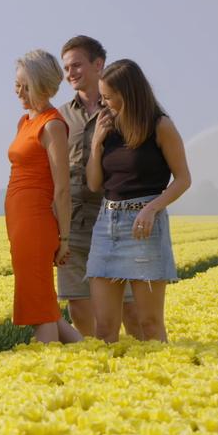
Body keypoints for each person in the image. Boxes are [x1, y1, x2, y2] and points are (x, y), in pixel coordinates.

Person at [86, 59, 191, 342]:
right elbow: (95, 183)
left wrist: (152, 208)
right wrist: (96, 144)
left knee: (149, 324)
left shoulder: (160, 125)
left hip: (144, 228)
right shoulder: (106, 124)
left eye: (108, 96)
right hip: (107, 225)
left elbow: (183, 179)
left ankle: (160, 381)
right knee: (105, 328)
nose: (103, 103)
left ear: (128, 94)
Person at [57, 36, 141, 339]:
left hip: (114, 222)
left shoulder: (123, 110)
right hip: (73, 222)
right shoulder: (61, 115)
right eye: (66, 67)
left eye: (76, 65)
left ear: (98, 64)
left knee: (131, 308)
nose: (70, 73)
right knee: (78, 304)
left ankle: (140, 367)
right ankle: (99, 368)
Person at [7, 50, 83, 344]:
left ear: (44, 86)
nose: (19, 92)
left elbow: (62, 188)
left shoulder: (52, 124)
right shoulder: (25, 121)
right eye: (17, 85)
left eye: (27, 86)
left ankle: (45, 373)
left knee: (38, 305)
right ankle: (93, 361)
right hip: (19, 220)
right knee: (45, 305)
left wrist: (64, 239)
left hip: (37, 223)